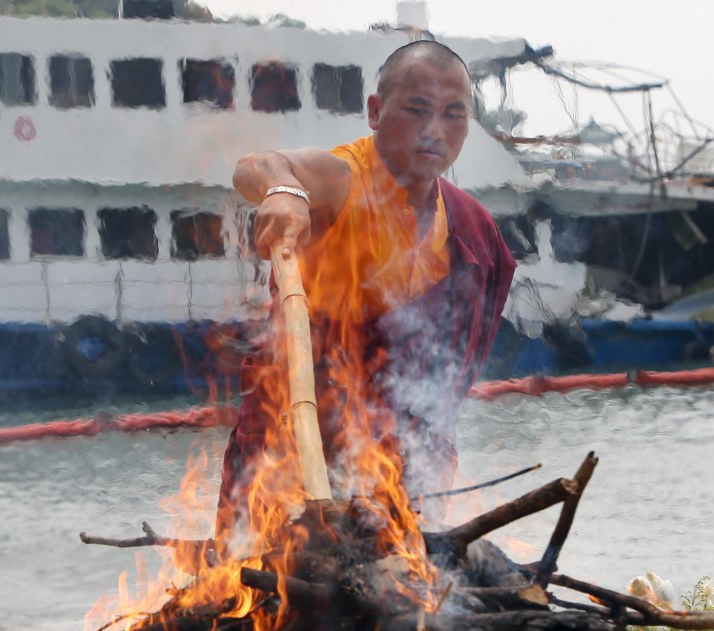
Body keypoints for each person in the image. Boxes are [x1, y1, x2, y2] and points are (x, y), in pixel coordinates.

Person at [215, 40, 517, 544]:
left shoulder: (472, 227)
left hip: (400, 466)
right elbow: (258, 165)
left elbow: (448, 376)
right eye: (417, 110)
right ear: (375, 112)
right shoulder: (341, 179)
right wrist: (285, 192)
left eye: (453, 115)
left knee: (407, 603)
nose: (434, 131)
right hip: (297, 450)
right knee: (265, 600)